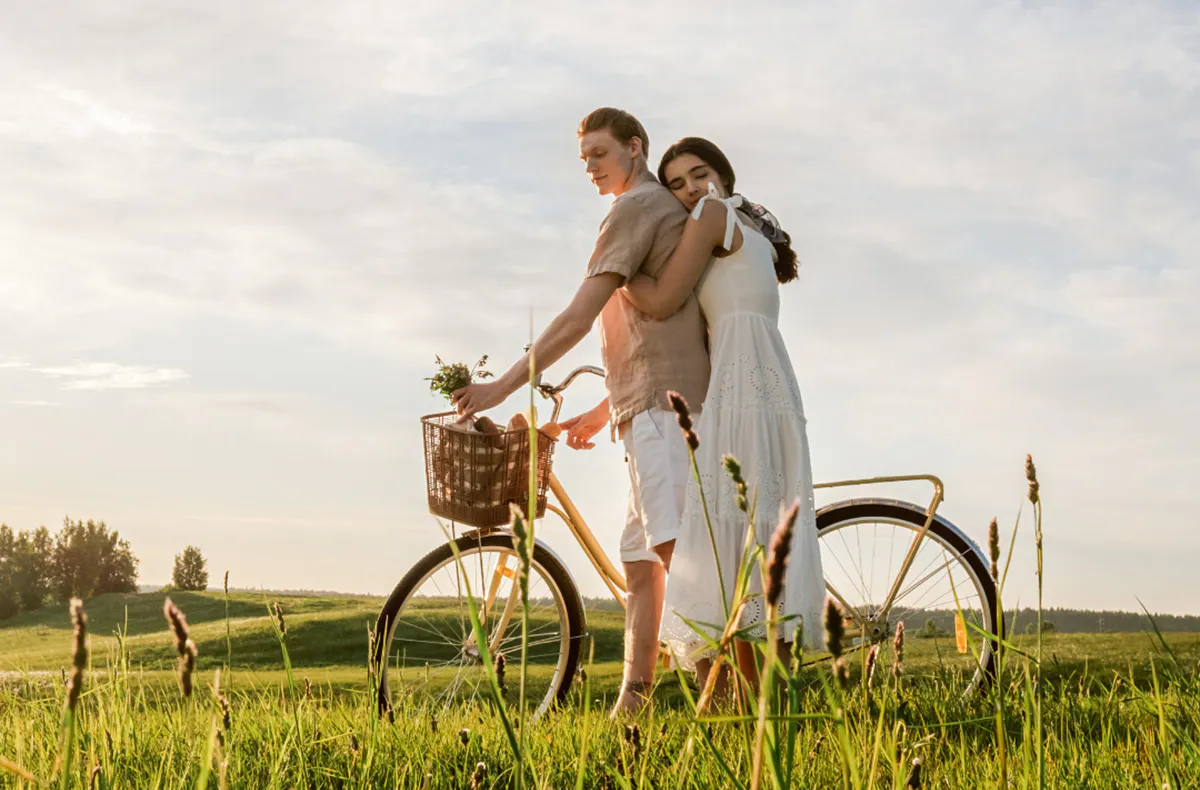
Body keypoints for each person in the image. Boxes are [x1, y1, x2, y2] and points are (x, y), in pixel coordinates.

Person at [452, 109, 710, 716]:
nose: (590, 167)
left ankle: (725, 691)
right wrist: (603, 410)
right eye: (583, 158)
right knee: (642, 565)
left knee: (679, 558)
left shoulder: (636, 208)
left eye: (599, 153)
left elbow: (577, 315)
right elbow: (657, 336)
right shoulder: (646, 212)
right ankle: (633, 705)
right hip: (648, 408)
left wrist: (504, 387)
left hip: (663, 417)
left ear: (634, 148)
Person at [620, 137, 825, 697]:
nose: (689, 190)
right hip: (766, 370)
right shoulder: (750, 224)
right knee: (756, 522)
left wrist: (615, 271)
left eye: (698, 173)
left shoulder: (714, 215)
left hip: (739, 377)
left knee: (731, 528)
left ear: (723, 175)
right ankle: (765, 693)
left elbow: (661, 300)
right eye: (676, 183)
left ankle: (742, 691)